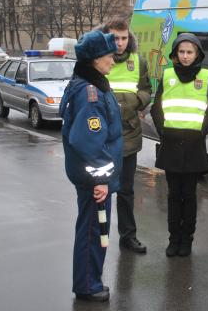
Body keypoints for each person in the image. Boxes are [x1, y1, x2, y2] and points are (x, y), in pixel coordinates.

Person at [59, 30, 123, 302]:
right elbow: (87, 142)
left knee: (95, 230)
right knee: (92, 231)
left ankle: (90, 280)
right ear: (96, 59)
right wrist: (100, 180)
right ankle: (87, 285)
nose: (112, 60)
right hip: (92, 180)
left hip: (93, 177)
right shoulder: (90, 92)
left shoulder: (91, 85)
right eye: (109, 56)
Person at [150, 33, 208, 257]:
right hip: (170, 142)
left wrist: (202, 132)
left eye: (190, 52)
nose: (185, 56)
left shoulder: (207, 76)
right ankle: (173, 238)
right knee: (172, 194)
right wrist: (163, 131)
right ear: (175, 54)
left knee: (188, 195)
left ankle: (186, 239)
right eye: (181, 52)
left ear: (197, 54)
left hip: (194, 145)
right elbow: (156, 107)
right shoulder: (167, 74)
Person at [102, 19, 152, 254]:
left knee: (126, 190)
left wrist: (136, 101)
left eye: (123, 38)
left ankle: (128, 236)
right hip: (101, 137)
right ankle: (98, 236)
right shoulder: (98, 60)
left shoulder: (138, 61)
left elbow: (146, 89)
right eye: (115, 38)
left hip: (129, 134)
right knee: (99, 189)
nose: (119, 43)